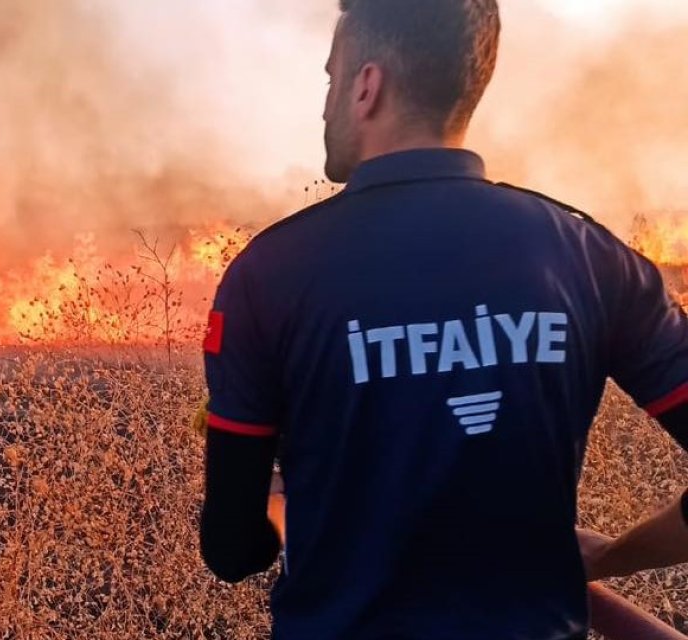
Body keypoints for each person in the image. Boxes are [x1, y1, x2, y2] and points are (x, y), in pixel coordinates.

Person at [198, 0, 688, 637]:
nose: (323, 104)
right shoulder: (588, 257)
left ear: (366, 86)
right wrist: (620, 556)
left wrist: (281, 506)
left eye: (329, 78)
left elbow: (232, 551)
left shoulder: (269, 275)